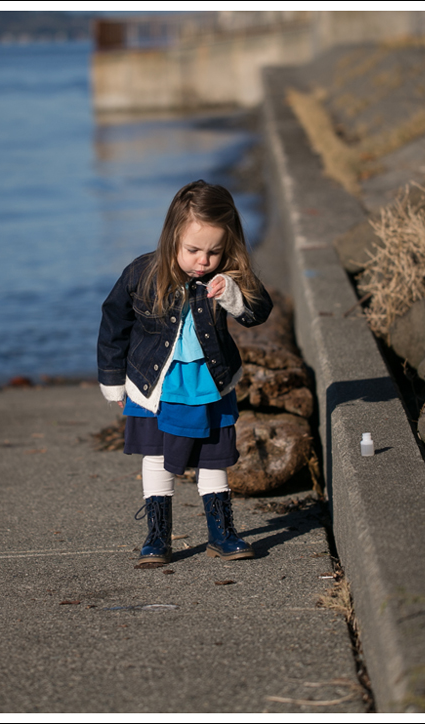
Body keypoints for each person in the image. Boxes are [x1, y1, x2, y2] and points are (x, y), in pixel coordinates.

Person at [97, 180, 273, 566]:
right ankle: (158, 536)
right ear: (172, 237)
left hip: (210, 382)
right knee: (156, 456)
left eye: (214, 251)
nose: (203, 261)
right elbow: (114, 323)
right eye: (193, 250)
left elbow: (259, 311)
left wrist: (231, 293)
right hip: (154, 385)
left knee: (214, 458)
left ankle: (221, 533)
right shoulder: (141, 273)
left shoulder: (226, 276)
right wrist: (111, 379)